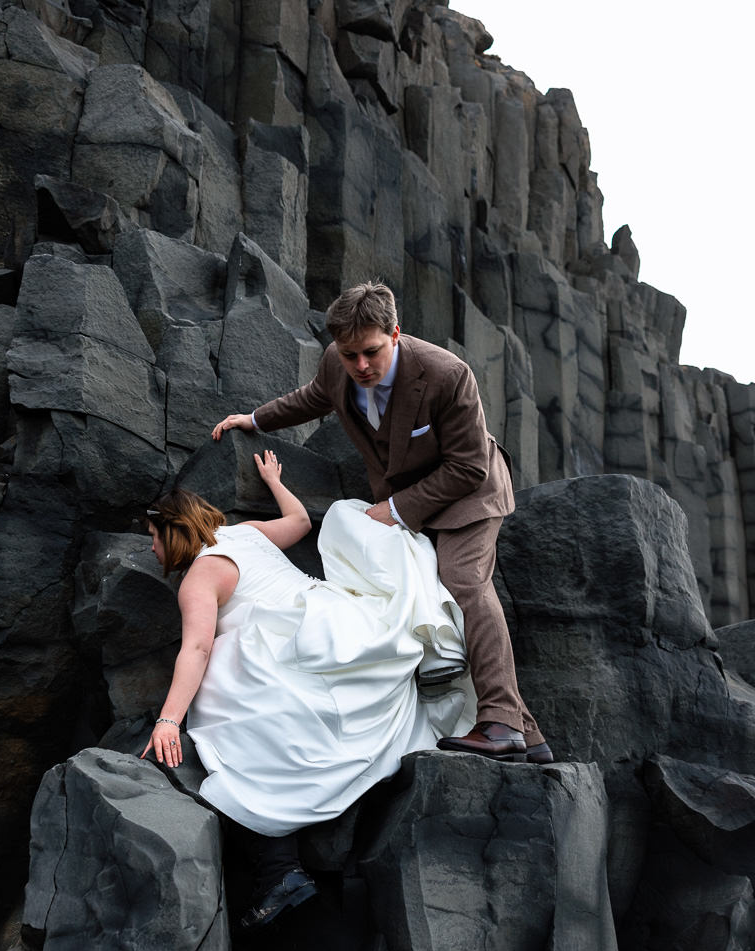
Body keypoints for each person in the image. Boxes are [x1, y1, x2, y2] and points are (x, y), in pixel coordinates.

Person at [211, 281, 551, 764]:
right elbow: (313, 396)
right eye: (350, 356)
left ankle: (499, 723)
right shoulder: (338, 363)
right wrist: (254, 419)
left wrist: (392, 512)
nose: (361, 366)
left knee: (463, 582)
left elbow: (469, 466)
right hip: (404, 497)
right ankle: (530, 739)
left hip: (468, 495)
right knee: (403, 587)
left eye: (371, 352)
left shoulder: (447, 374)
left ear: (395, 333)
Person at [141, 451, 475, 928]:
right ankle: (282, 870)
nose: (151, 549)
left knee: (222, 706)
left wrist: (169, 719)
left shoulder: (200, 577)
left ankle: (279, 871)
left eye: (152, 537)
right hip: (343, 625)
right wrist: (275, 481)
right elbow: (299, 522)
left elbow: (195, 649)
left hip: (300, 645)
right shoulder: (245, 534)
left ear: (172, 533)